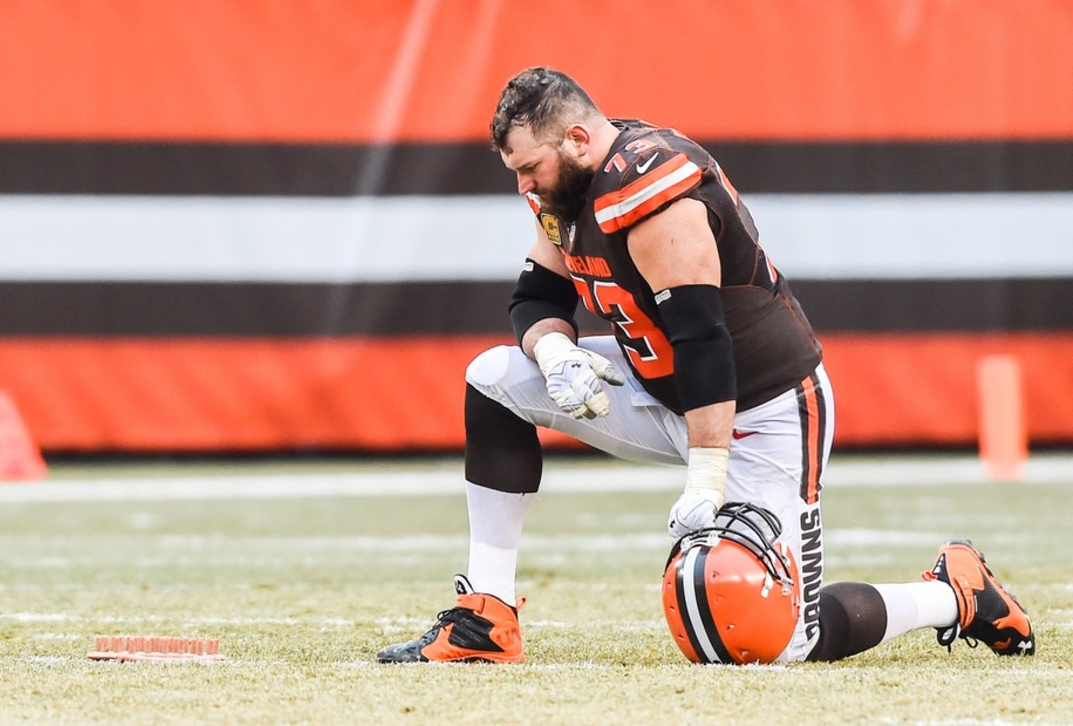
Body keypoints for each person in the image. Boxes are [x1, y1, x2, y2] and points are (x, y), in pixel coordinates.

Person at [376, 67, 1034, 664]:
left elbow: (703, 339)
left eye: (530, 168)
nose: (523, 185)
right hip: (657, 387)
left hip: (761, 410)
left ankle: (955, 593)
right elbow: (536, 297)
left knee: (787, 645)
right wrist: (555, 353)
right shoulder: (567, 191)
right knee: (494, 382)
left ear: (577, 139)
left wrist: (706, 474)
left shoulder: (651, 190)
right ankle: (487, 618)